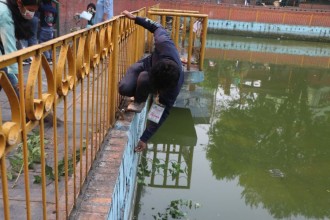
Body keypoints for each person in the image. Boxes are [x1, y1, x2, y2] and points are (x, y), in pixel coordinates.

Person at [119, 10, 184, 152]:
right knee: (124, 88)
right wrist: (136, 18)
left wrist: (145, 138)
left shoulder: (174, 87)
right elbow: (156, 26)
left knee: (143, 79)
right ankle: (140, 87)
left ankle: (140, 100)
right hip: (146, 66)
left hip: (149, 77)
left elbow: (162, 111)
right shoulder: (163, 42)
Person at [0, 0, 40, 96]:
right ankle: (28, 108)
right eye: (30, 10)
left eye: (34, 11)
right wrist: (19, 81)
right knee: (12, 80)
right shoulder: (4, 13)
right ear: (19, 3)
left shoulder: (9, 7)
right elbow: (10, 49)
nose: (31, 14)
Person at [38, 0, 57, 64]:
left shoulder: (42, 8)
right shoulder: (54, 10)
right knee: (50, 43)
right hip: (50, 28)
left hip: (43, 28)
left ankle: (48, 58)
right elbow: (55, 20)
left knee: (42, 43)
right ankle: (51, 57)